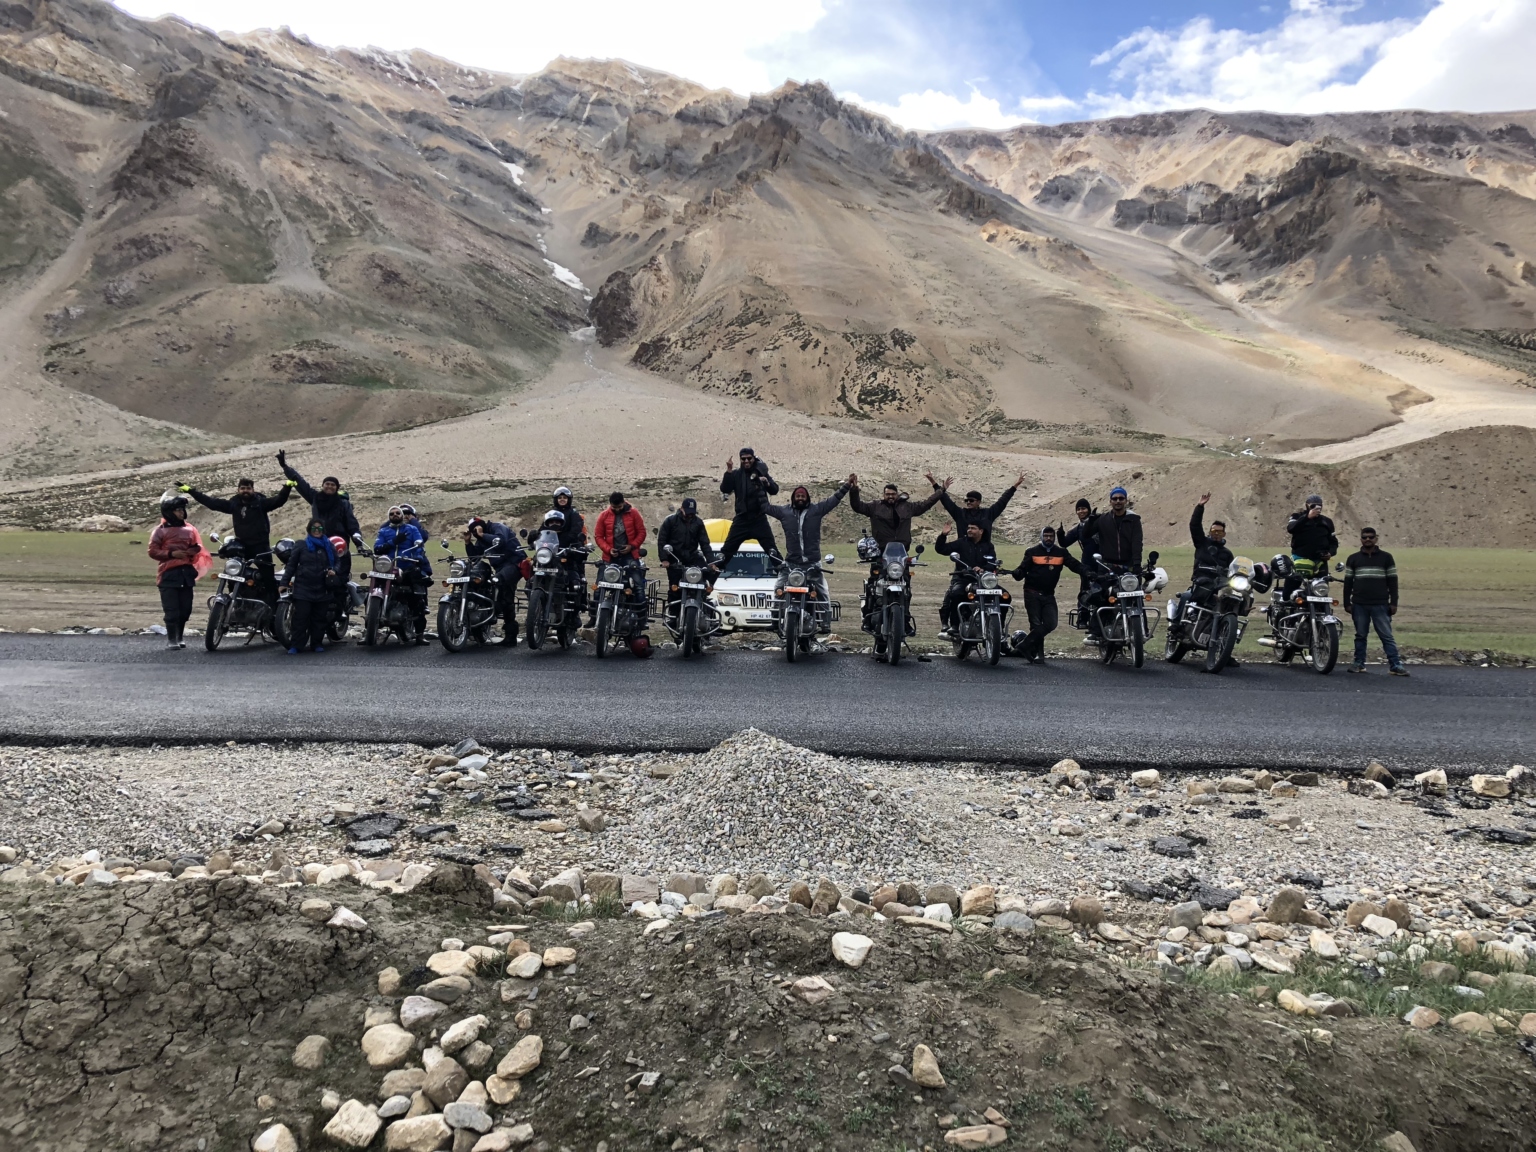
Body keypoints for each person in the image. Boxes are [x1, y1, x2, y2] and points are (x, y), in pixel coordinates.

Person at [180, 476, 292, 602]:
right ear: (238, 490)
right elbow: (211, 502)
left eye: (248, 488)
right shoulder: (233, 504)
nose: (245, 491)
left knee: (268, 579)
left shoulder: (261, 503)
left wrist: (287, 487)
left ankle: (273, 606)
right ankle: (234, 602)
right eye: (242, 488)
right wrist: (191, 491)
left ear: (253, 490)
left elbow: (279, 500)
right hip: (241, 547)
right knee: (233, 576)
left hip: (260, 546)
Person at [766, 478, 850, 607]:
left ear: (807, 498)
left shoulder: (816, 510)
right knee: (778, 591)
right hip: (791, 564)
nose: (800, 498)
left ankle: (825, 618)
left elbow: (834, 500)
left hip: (812, 564)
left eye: (803, 496)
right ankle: (776, 616)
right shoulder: (784, 512)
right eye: (798, 496)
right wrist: (760, 487)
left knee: (823, 594)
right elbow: (765, 507)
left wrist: (847, 485)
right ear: (793, 498)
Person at [1008, 525, 1081, 663]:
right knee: (1035, 624)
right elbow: (1022, 570)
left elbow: (1075, 565)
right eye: (1046, 536)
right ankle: (1038, 655)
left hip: (1048, 594)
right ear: (1041, 537)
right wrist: (1017, 573)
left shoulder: (1061, 553)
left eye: (1051, 536)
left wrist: (1088, 572)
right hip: (1032, 593)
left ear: (1054, 538)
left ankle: (1024, 645)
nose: (1048, 538)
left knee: (1051, 623)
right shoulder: (1032, 552)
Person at [147, 490, 208, 650]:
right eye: (178, 510)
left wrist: (193, 550)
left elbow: (197, 546)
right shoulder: (159, 531)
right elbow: (152, 551)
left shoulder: (190, 530)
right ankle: (172, 639)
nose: (182, 513)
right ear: (169, 512)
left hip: (186, 574)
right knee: (172, 610)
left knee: (185, 610)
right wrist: (171, 554)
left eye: (182, 510)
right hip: (168, 574)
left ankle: (180, 636)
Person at [1079, 486, 1142, 637]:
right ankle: (1095, 632)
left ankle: (1141, 631)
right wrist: (1090, 521)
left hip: (1128, 566)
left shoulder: (1134, 520)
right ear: (1110, 501)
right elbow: (1085, 535)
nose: (1118, 501)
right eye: (1115, 498)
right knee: (1102, 596)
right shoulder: (1103, 519)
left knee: (1136, 596)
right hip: (1107, 565)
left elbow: (1137, 543)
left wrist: (1137, 564)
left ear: (1126, 500)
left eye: (1121, 498)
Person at [1343, 527, 1407, 675]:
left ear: (1376, 539)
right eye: (1365, 537)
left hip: (1380, 604)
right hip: (1359, 604)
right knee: (1360, 636)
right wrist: (1347, 603)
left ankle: (1395, 665)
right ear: (1360, 539)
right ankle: (1359, 663)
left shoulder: (1386, 558)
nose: (1368, 539)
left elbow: (1393, 582)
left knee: (1386, 636)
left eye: (1371, 537)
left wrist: (1394, 603)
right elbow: (1348, 583)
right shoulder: (1353, 559)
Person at [1170, 493, 1235, 628]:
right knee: (1186, 597)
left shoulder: (1227, 554)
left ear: (1224, 534)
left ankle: (1225, 630)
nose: (1216, 534)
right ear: (1210, 532)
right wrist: (1200, 507)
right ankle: (1176, 626)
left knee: (1229, 602)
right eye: (1214, 531)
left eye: (1219, 532)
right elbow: (1194, 525)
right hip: (1200, 584)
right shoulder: (1202, 543)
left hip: (1217, 588)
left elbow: (1233, 571)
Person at [466, 517, 527, 645]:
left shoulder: (497, 527)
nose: (475, 531)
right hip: (500, 567)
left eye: (476, 527)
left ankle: (510, 635)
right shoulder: (481, 540)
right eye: (472, 530)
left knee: (503, 588)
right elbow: (474, 557)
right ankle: (483, 615)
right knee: (484, 583)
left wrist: (482, 535)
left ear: (482, 524)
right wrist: (468, 542)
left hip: (515, 563)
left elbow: (501, 541)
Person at [280, 519, 338, 653]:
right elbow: (291, 565)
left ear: (323, 530)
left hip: (323, 587)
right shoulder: (301, 545)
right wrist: (284, 583)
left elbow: (337, 562)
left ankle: (316, 643)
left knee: (319, 618)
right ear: (309, 530)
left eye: (319, 528)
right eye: (314, 528)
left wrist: (334, 570)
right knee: (300, 618)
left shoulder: (329, 546)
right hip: (303, 587)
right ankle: (296, 645)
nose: (317, 531)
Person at [277, 450, 361, 541]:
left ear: (337, 488)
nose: (329, 486)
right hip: (318, 538)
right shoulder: (315, 498)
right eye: (327, 484)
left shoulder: (343, 503)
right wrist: (285, 466)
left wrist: (358, 542)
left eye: (333, 485)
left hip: (339, 541)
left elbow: (351, 522)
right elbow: (300, 482)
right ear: (322, 485)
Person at [373, 505, 429, 642]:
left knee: (417, 598)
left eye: (398, 513)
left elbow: (419, 544)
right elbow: (377, 548)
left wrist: (418, 556)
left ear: (402, 516)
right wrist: (394, 541)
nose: (395, 515)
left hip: (407, 567)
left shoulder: (412, 529)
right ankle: (370, 629)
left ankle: (420, 634)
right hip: (387, 568)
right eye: (392, 513)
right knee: (372, 591)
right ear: (389, 517)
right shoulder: (384, 531)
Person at [657, 497, 717, 623]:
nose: (690, 515)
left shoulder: (698, 523)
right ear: (681, 509)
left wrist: (711, 562)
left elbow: (705, 543)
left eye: (692, 512)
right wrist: (665, 559)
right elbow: (662, 540)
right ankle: (673, 615)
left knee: (708, 574)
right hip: (675, 558)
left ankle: (703, 603)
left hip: (692, 557)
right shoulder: (670, 521)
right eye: (688, 512)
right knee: (674, 587)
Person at [934, 521, 998, 636]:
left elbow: (992, 562)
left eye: (973, 528)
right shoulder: (961, 543)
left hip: (983, 580)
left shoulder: (988, 546)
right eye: (968, 528)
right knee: (956, 593)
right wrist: (943, 535)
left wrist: (983, 569)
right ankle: (955, 625)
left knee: (1005, 596)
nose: (969, 530)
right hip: (964, 578)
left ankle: (998, 628)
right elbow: (941, 549)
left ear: (981, 531)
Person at [717, 447, 779, 564]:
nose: (746, 461)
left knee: (773, 552)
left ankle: (785, 573)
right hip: (741, 520)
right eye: (743, 459)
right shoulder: (736, 474)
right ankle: (713, 574)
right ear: (740, 459)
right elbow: (725, 489)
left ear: (753, 458)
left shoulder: (761, 472)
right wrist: (729, 471)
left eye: (749, 458)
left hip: (759, 519)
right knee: (726, 552)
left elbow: (774, 490)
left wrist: (766, 483)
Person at [926, 470, 1023, 543]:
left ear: (979, 502)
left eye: (971, 500)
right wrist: (934, 483)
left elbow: (1003, 501)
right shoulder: (960, 514)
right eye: (966, 500)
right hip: (964, 552)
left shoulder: (988, 514)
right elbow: (946, 501)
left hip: (983, 552)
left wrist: (1015, 486)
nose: (968, 502)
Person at [849, 475, 943, 549]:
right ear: (883, 495)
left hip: (902, 549)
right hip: (880, 549)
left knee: (907, 568)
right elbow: (857, 506)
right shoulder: (875, 506)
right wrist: (854, 490)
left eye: (893, 494)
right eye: (888, 494)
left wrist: (941, 491)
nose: (890, 496)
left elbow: (926, 504)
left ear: (897, 494)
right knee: (877, 568)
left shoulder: (907, 507)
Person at [1284, 493, 1337, 595]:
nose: (1316, 508)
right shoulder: (1297, 516)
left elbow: (1333, 542)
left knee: (1321, 593)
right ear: (1307, 505)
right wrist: (1307, 517)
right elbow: (1291, 528)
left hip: (1319, 563)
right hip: (1299, 560)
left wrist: (1330, 553)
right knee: (1288, 593)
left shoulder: (1327, 521)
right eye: (1313, 505)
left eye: (1319, 506)